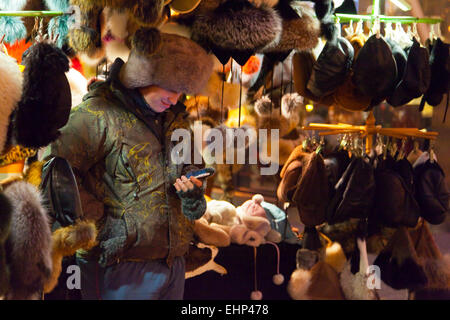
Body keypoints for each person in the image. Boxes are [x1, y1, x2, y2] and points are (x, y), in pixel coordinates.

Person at [42, 29, 214, 300]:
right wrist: (102, 227)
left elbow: (193, 169)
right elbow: (54, 172)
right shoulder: (98, 113)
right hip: (118, 266)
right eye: (170, 86)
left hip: (173, 264)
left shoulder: (175, 121)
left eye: (182, 91)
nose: (175, 98)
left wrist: (193, 192)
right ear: (145, 74)